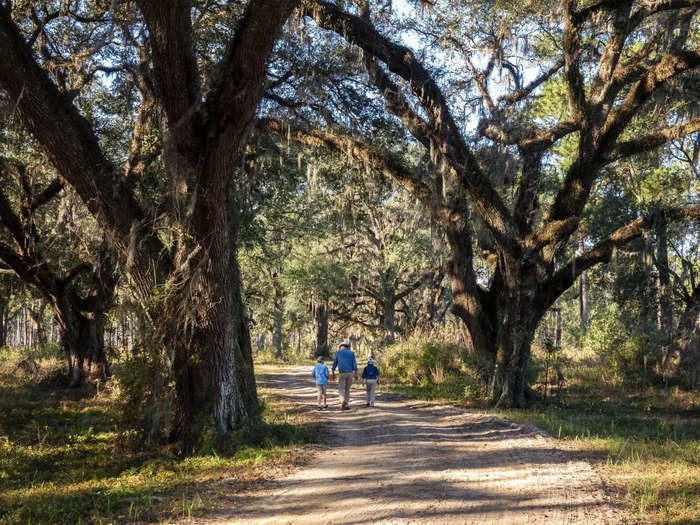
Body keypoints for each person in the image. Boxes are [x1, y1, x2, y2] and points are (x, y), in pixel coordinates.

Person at [331, 341, 357, 410]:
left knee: (341, 389)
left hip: (342, 373)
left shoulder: (338, 353)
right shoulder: (351, 353)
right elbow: (354, 364)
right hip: (350, 373)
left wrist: (333, 373)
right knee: (347, 389)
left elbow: (334, 364)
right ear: (347, 347)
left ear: (340, 347)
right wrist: (355, 373)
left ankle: (342, 401)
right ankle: (347, 404)